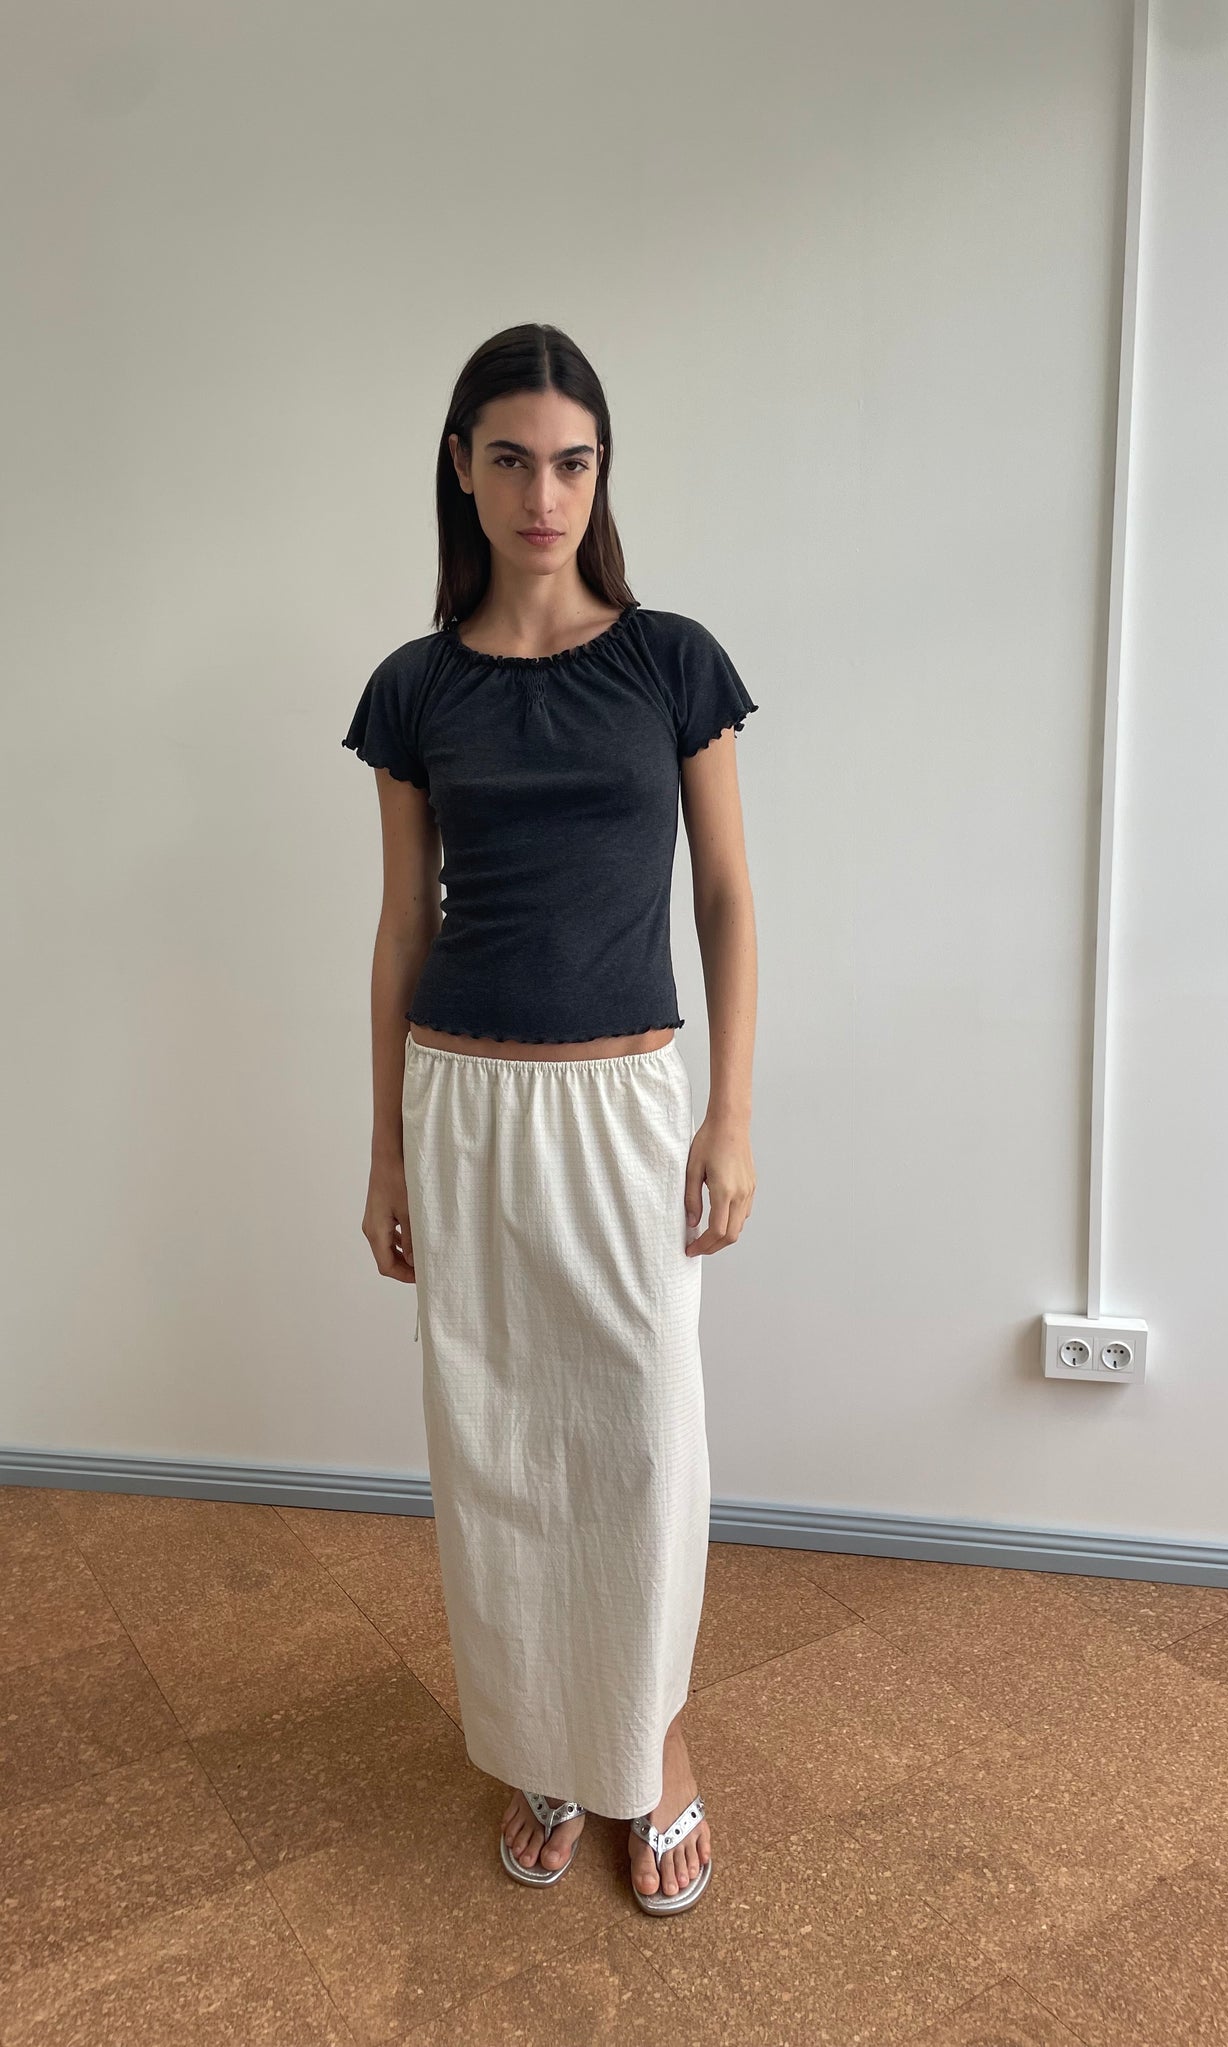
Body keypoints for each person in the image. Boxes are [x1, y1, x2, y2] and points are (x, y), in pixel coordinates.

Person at [343, 322, 760, 1915]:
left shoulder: (670, 665)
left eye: (571, 461)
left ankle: (646, 1751)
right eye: (509, 458)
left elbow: (723, 894)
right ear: (461, 466)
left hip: (625, 1106)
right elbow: (398, 927)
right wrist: (383, 1149)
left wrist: (728, 1111)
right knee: (499, 1444)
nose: (543, 493)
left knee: (645, 1441)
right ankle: (537, 1742)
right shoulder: (414, 688)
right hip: (462, 1104)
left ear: (602, 474)